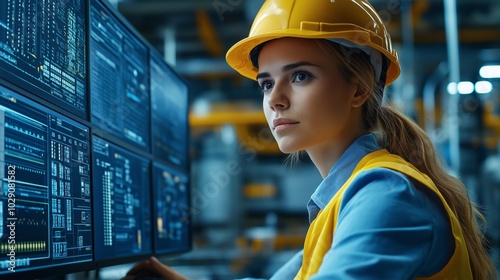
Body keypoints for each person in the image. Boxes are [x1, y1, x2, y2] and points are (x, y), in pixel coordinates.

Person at [126, 0, 496, 279]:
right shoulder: (345, 196)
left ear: (359, 88)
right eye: (266, 83)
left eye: (300, 76)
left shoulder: (385, 193)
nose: (275, 99)